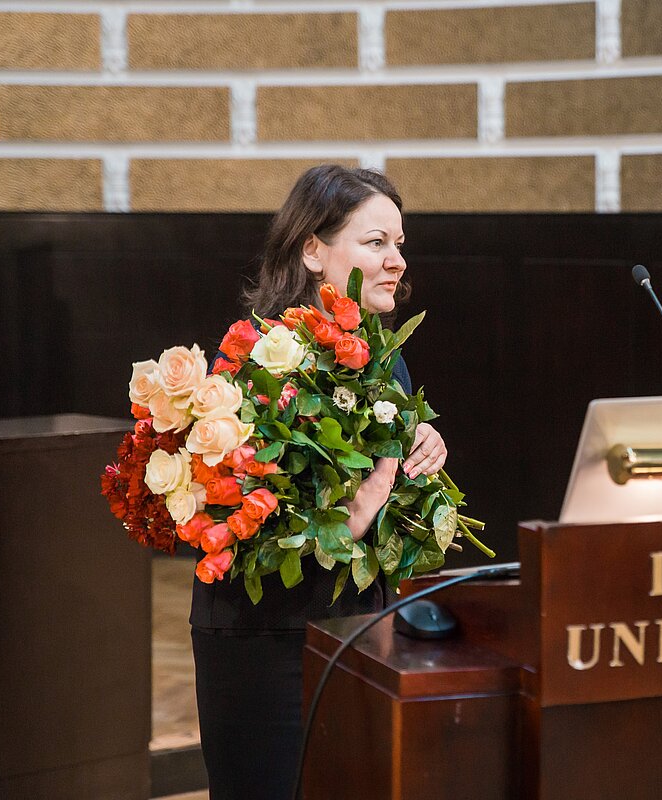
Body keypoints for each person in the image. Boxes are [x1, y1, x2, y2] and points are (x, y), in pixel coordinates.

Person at [190, 165, 447, 799]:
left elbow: (384, 495)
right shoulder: (261, 358)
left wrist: (424, 455)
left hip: (357, 623)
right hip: (268, 636)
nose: (396, 262)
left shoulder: (390, 359)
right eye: (376, 243)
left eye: (399, 245)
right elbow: (254, 527)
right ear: (313, 249)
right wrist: (377, 484)